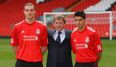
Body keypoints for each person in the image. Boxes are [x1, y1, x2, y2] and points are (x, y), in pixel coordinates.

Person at [10, 3, 48, 67]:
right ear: (24, 12)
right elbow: (14, 45)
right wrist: (21, 55)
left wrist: (36, 55)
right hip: (21, 62)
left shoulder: (42, 27)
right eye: (27, 10)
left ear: (34, 11)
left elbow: (44, 46)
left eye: (31, 10)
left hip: (37, 62)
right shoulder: (17, 27)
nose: (29, 12)